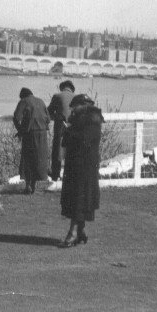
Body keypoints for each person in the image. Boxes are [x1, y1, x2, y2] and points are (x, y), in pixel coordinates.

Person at [58, 93, 104, 247]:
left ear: (82, 106)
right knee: (81, 198)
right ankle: (80, 232)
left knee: (78, 199)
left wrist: (68, 132)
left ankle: (72, 234)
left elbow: (83, 140)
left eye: (74, 107)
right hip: (84, 165)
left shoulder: (87, 120)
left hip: (82, 166)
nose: (72, 110)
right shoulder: (91, 119)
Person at [13, 87, 50, 194]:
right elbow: (48, 118)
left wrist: (20, 130)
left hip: (30, 134)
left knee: (28, 159)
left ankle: (28, 186)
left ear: (22, 96)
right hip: (42, 133)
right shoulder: (40, 101)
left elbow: (16, 117)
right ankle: (34, 186)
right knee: (39, 160)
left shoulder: (23, 101)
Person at [47, 80, 75, 181]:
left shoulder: (57, 96)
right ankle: (70, 174)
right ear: (71, 88)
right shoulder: (76, 97)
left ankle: (56, 174)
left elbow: (48, 112)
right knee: (71, 151)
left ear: (62, 87)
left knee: (57, 150)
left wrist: (56, 116)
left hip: (61, 127)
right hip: (73, 127)